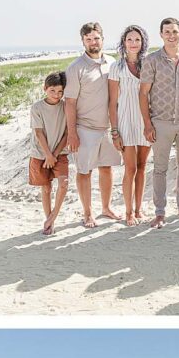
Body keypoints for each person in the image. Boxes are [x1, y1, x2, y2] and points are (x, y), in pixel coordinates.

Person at [140, 18, 179, 227]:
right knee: (160, 168)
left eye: (174, 31)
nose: (171, 35)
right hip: (161, 122)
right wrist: (147, 124)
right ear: (161, 35)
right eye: (167, 32)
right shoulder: (152, 60)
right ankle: (159, 212)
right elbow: (143, 93)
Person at [64, 22, 122, 228]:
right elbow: (69, 102)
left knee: (106, 168)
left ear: (102, 39)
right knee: (84, 171)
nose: (93, 42)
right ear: (83, 42)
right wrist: (72, 133)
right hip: (84, 128)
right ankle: (88, 213)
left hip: (106, 128)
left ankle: (106, 208)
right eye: (88, 39)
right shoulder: (75, 68)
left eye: (96, 38)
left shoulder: (112, 62)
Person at [108, 24, 151, 226]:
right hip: (125, 121)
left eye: (137, 40)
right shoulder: (116, 68)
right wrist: (114, 131)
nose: (133, 43)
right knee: (130, 168)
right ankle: (128, 212)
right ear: (123, 43)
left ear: (142, 43)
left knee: (142, 167)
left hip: (145, 121)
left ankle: (138, 208)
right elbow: (112, 102)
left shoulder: (148, 65)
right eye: (129, 39)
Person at [29, 71, 69, 235]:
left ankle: (52, 217)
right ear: (45, 89)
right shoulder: (37, 107)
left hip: (60, 152)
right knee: (46, 188)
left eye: (60, 91)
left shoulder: (65, 106)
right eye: (52, 90)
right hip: (40, 153)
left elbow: (67, 133)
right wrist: (48, 155)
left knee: (64, 183)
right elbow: (38, 133)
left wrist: (55, 154)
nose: (56, 95)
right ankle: (49, 221)